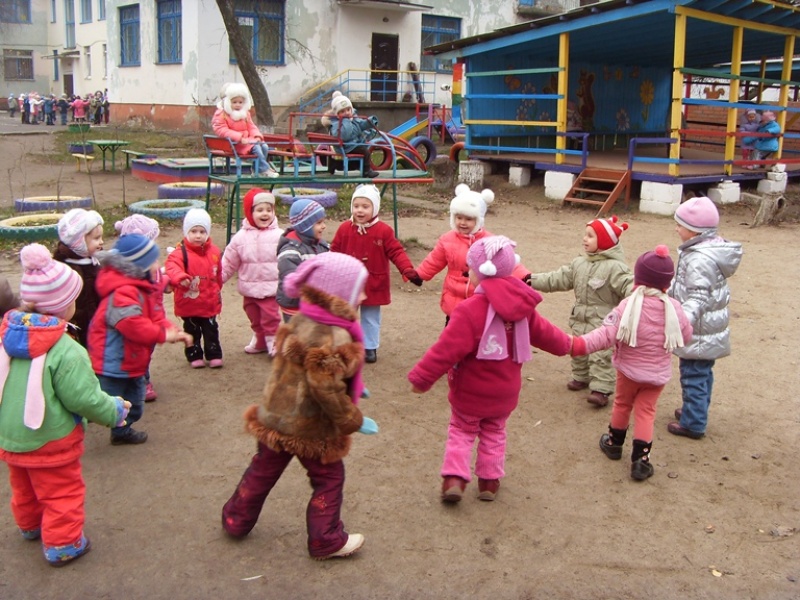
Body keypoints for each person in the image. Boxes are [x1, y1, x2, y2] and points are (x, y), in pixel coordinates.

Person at [221, 252, 379, 560]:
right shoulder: (334, 333)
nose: (363, 296)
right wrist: (352, 418)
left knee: (262, 470)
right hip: (309, 426)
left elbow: (304, 370)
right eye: (358, 289)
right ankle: (325, 539)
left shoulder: (302, 319)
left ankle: (235, 519)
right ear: (337, 294)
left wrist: (352, 384)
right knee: (329, 478)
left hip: (275, 415)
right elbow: (323, 385)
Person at [409, 236, 573, 503]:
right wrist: (572, 345)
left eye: (470, 269)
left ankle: (454, 478)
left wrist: (422, 378)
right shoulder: (522, 307)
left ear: (480, 272)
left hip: (469, 392)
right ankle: (489, 481)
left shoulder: (469, 310)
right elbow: (549, 336)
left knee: (461, 431)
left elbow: (445, 350)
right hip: (505, 393)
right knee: (494, 433)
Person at [0, 244, 131, 566]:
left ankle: (30, 524)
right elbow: (84, 397)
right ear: (63, 306)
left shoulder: (5, 336)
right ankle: (63, 543)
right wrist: (113, 411)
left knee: (24, 484)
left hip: (11, 434)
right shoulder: (66, 350)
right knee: (61, 491)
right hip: (51, 437)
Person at [571, 245, 692, 481]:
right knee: (646, 413)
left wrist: (580, 344)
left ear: (638, 278)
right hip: (656, 375)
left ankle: (614, 444)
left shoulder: (628, 305)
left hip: (628, 371)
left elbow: (607, 333)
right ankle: (641, 461)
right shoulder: (674, 307)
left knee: (622, 404)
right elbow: (685, 336)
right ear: (667, 283)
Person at [88, 234, 192, 445]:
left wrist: (173, 331)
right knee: (103, 401)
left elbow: (155, 316)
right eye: (154, 261)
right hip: (113, 362)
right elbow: (132, 326)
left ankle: (120, 432)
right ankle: (77, 418)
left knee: (135, 402)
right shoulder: (123, 292)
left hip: (133, 360)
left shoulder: (143, 288)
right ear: (140, 266)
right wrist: (163, 335)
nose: (159, 265)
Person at [529, 215, 633, 407]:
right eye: (585, 235)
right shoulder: (579, 263)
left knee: (601, 354)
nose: (584, 239)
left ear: (604, 241)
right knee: (578, 348)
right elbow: (558, 278)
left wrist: (638, 294)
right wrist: (532, 280)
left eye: (590, 236)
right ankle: (581, 376)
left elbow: (628, 285)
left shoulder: (616, 267)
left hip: (604, 321)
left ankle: (601, 389)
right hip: (580, 317)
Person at [667, 197, 743, 439]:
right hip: (706, 329)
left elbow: (699, 296)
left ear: (694, 230)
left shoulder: (700, 258)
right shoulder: (702, 250)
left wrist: (682, 320)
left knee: (693, 376)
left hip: (699, 331)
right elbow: (685, 283)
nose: (676, 229)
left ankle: (693, 423)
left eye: (679, 225)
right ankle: (695, 410)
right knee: (702, 373)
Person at [331, 184, 422, 363]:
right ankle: (344, 344)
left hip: (373, 282)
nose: (360, 210)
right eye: (356, 206)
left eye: (365, 206)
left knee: (371, 317)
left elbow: (396, 252)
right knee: (344, 314)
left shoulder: (384, 231)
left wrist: (407, 269)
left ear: (375, 208)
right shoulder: (344, 229)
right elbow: (334, 252)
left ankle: (369, 347)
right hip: (348, 283)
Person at [416, 184, 529, 326]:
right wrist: (419, 274)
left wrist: (525, 276)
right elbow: (434, 260)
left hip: (478, 298)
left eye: (468, 219)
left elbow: (506, 261)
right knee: (452, 333)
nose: (462, 223)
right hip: (453, 300)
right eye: (459, 218)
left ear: (478, 220)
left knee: (477, 332)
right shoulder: (447, 239)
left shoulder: (489, 241)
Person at [221, 188, 284, 355]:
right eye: (260, 210)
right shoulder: (240, 238)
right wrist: (217, 279)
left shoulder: (279, 236)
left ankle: (274, 342)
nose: (265, 214)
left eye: (269, 210)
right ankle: (260, 339)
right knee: (253, 316)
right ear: (250, 213)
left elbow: (289, 257)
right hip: (249, 288)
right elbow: (229, 262)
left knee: (270, 317)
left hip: (271, 288)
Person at [165, 209, 224, 368]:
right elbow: (172, 267)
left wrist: (217, 288)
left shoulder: (214, 252)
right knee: (192, 331)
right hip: (189, 304)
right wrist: (180, 277)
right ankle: (194, 355)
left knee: (211, 330)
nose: (198, 236)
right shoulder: (179, 253)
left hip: (209, 302)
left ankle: (214, 354)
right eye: (194, 231)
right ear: (186, 232)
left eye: (202, 232)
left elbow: (218, 273)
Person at [114, 214, 164, 402]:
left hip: (153, 317)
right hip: (137, 320)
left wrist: (166, 282)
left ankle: (140, 378)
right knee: (137, 351)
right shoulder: (129, 273)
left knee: (146, 350)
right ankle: (141, 382)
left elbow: (158, 283)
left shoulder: (151, 265)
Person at [53, 208, 105, 348]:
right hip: (80, 324)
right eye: (96, 238)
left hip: (96, 319)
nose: (101, 242)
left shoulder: (92, 259)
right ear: (79, 242)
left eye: (101, 237)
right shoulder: (69, 269)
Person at [276, 199, 329, 322]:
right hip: (295, 306)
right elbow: (291, 278)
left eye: (323, 222)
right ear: (305, 226)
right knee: (299, 333)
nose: (324, 226)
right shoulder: (290, 251)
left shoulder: (321, 245)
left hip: (314, 302)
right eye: (319, 223)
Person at [211, 82, 278, 178]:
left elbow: (251, 127)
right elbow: (221, 130)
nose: (238, 105)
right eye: (234, 102)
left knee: (264, 146)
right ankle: (265, 169)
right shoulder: (222, 114)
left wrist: (257, 136)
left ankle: (257, 170)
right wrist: (239, 138)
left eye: (240, 102)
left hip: (246, 142)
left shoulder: (245, 113)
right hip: (234, 144)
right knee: (256, 147)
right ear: (228, 102)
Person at [321, 91, 380, 178]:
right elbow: (344, 136)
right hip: (345, 146)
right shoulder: (337, 123)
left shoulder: (353, 118)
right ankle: (367, 171)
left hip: (352, 144)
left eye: (348, 110)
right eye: (342, 111)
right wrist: (346, 121)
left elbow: (361, 124)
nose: (347, 113)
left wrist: (370, 122)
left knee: (359, 156)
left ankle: (335, 164)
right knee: (365, 152)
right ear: (337, 114)